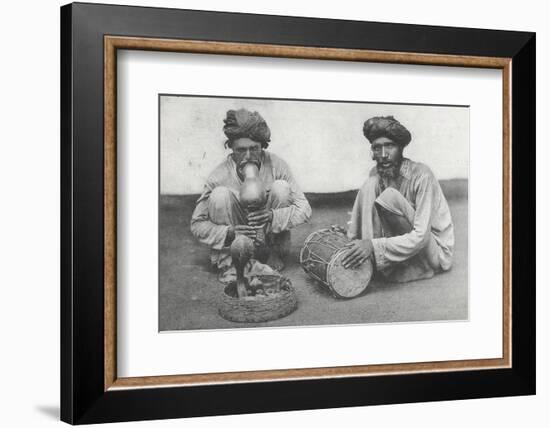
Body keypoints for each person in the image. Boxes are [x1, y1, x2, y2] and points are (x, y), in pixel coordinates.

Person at [190, 108, 311, 281]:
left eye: (254, 149)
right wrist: (229, 232)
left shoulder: (277, 165)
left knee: (281, 188)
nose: (248, 156)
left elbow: (305, 209)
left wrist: (272, 216)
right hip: (235, 246)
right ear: (231, 148)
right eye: (241, 150)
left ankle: (271, 255)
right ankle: (232, 264)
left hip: (270, 244)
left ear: (263, 146)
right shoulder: (218, 175)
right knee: (219, 195)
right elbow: (197, 225)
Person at [342, 116, 454, 283]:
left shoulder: (422, 175)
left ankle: (420, 269)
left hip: (433, 252)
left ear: (401, 148)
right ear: (372, 153)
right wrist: (352, 238)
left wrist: (372, 246)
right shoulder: (376, 175)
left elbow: (421, 236)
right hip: (407, 246)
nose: (384, 155)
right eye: (377, 148)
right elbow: (375, 218)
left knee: (390, 196)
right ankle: (361, 254)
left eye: (390, 146)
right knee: (370, 183)